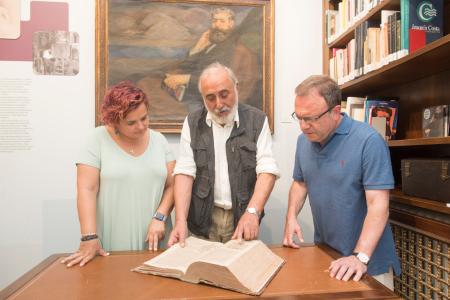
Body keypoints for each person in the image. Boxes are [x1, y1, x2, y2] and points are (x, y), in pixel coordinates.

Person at [283, 75, 400, 289]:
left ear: (335, 111)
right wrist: (291, 217)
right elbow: (300, 183)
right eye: (298, 117)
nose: (303, 126)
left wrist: (360, 257)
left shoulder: (369, 141)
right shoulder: (304, 141)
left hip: (368, 262)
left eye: (310, 118)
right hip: (328, 255)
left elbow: (379, 206)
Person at [61, 81, 175, 267]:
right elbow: (86, 190)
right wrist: (89, 237)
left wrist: (160, 217)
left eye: (144, 118)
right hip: (112, 239)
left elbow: (173, 184)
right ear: (113, 121)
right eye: (131, 122)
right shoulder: (96, 140)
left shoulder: (159, 140)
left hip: (156, 237)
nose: (141, 126)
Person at [168, 62, 279, 246]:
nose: (219, 104)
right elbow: (185, 172)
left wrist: (253, 212)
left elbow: (267, 169)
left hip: (242, 217)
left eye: (224, 94)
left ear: (237, 88)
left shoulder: (256, 120)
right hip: (202, 219)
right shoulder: (193, 122)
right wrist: (180, 221)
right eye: (210, 98)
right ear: (203, 98)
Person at [162, 7, 260, 112]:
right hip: (196, 91)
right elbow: (186, 67)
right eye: (214, 21)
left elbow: (222, 81)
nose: (217, 25)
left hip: (212, 100)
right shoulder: (212, 44)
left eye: (222, 21)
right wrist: (197, 48)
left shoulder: (235, 49)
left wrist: (186, 79)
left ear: (231, 24)